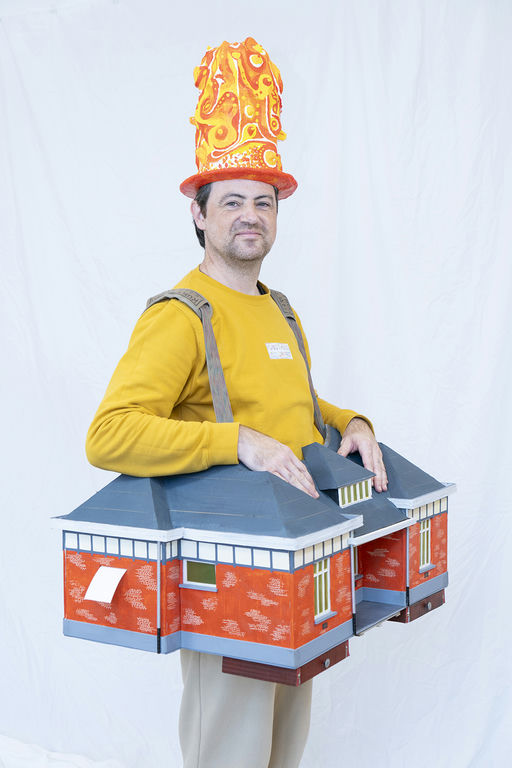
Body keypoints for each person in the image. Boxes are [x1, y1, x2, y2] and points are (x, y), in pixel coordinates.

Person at [85, 38, 387, 768]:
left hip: (300, 559)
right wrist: (238, 442)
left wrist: (351, 422)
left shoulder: (280, 310)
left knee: (285, 747)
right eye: (231, 202)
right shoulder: (180, 315)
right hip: (230, 570)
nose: (250, 215)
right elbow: (109, 434)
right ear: (199, 215)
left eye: (263, 201)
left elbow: (296, 403)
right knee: (231, 751)